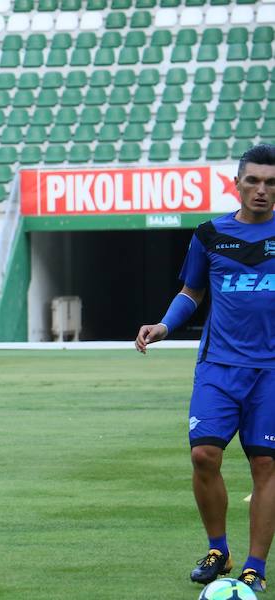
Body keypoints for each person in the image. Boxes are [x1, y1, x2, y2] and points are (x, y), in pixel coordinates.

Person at [135, 144, 275, 593]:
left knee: (266, 464)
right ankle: (219, 549)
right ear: (237, 183)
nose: (261, 190)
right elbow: (191, 292)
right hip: (218, 365)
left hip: (271, 373)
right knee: (203, 455)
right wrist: (163, 324)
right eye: (253, 180)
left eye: (271, 183)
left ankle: (255, 565)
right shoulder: (209, 235)